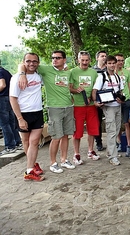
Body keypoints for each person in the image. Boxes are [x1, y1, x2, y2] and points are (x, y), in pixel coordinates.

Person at [19, 50, 75, 173]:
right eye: (53, 58)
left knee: (66, 135)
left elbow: (68, 88)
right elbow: (25, 64)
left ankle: (64, 159)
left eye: (58, 58)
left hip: (68, 107)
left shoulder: (68, 73)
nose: (55, 60)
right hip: (54, 108)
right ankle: (53, 163)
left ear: (64, 60)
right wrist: (22, 74)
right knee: (56, 136)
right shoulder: (46, 70)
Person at [9, 53, 44, 181]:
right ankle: (30, 169)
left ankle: (31, 167)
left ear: (38, 63)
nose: (31, 64)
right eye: (28, 61)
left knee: (34, 142)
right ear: (24, 62)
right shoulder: (16, 78)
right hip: (23, 113)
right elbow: (12, 98)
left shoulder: (39, 76)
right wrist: (20, 118)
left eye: (35, 61)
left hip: (38, 112)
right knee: (26, 142)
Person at [69, 51, 101, 165]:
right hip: (78, 106)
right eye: (82, 60)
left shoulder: (93, 72)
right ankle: (76, 154)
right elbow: (69, 88)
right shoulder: (73, 71)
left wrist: (93, 99)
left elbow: (96, 88)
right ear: (78, 60)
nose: (84, 62)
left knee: (92, 129)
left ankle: (91, 151)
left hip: (91, 105)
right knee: (77, 131)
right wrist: (76, 91)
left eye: (87, 60)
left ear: (90, 60)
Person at [93, 55, 124, 166]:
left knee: (116, 130)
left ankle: (111, 151)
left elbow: (119, 91)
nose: (111, 65)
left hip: (117, 105)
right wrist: (95, 102)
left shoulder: (117, 76)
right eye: (109, 63)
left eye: (113, 63)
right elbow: (95, 90)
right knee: (111, 131)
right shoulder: (102, 76)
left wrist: (121, 99)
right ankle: (113, 156)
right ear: (105, 64)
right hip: (108, 106)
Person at [115, 53, 130, 155]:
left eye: (122, 60)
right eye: (118, 60)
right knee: (117, 124)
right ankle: (118, 143)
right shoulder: (111, 73)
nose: (120, 62)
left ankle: (129, 145)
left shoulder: (126, 72)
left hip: (126, 100)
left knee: (127, 123)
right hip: (115, 101)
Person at [0, 61, 21, 155]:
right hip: (9, 98)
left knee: (4, 123)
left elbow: (2, 85)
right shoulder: (6, 71)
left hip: (2, 99)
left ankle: (10, 146)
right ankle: (17, 142)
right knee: (11, 122)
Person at [93, 50, 107, 151]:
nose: (104, 57)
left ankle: (114, 142)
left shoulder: (110, 69)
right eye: (102, 56)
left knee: (110, 120)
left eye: (105, 56)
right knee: (97, 122)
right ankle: (98, 142)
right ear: (97, 58)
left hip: (108, 98)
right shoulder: (92, 70)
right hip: (97, 98)